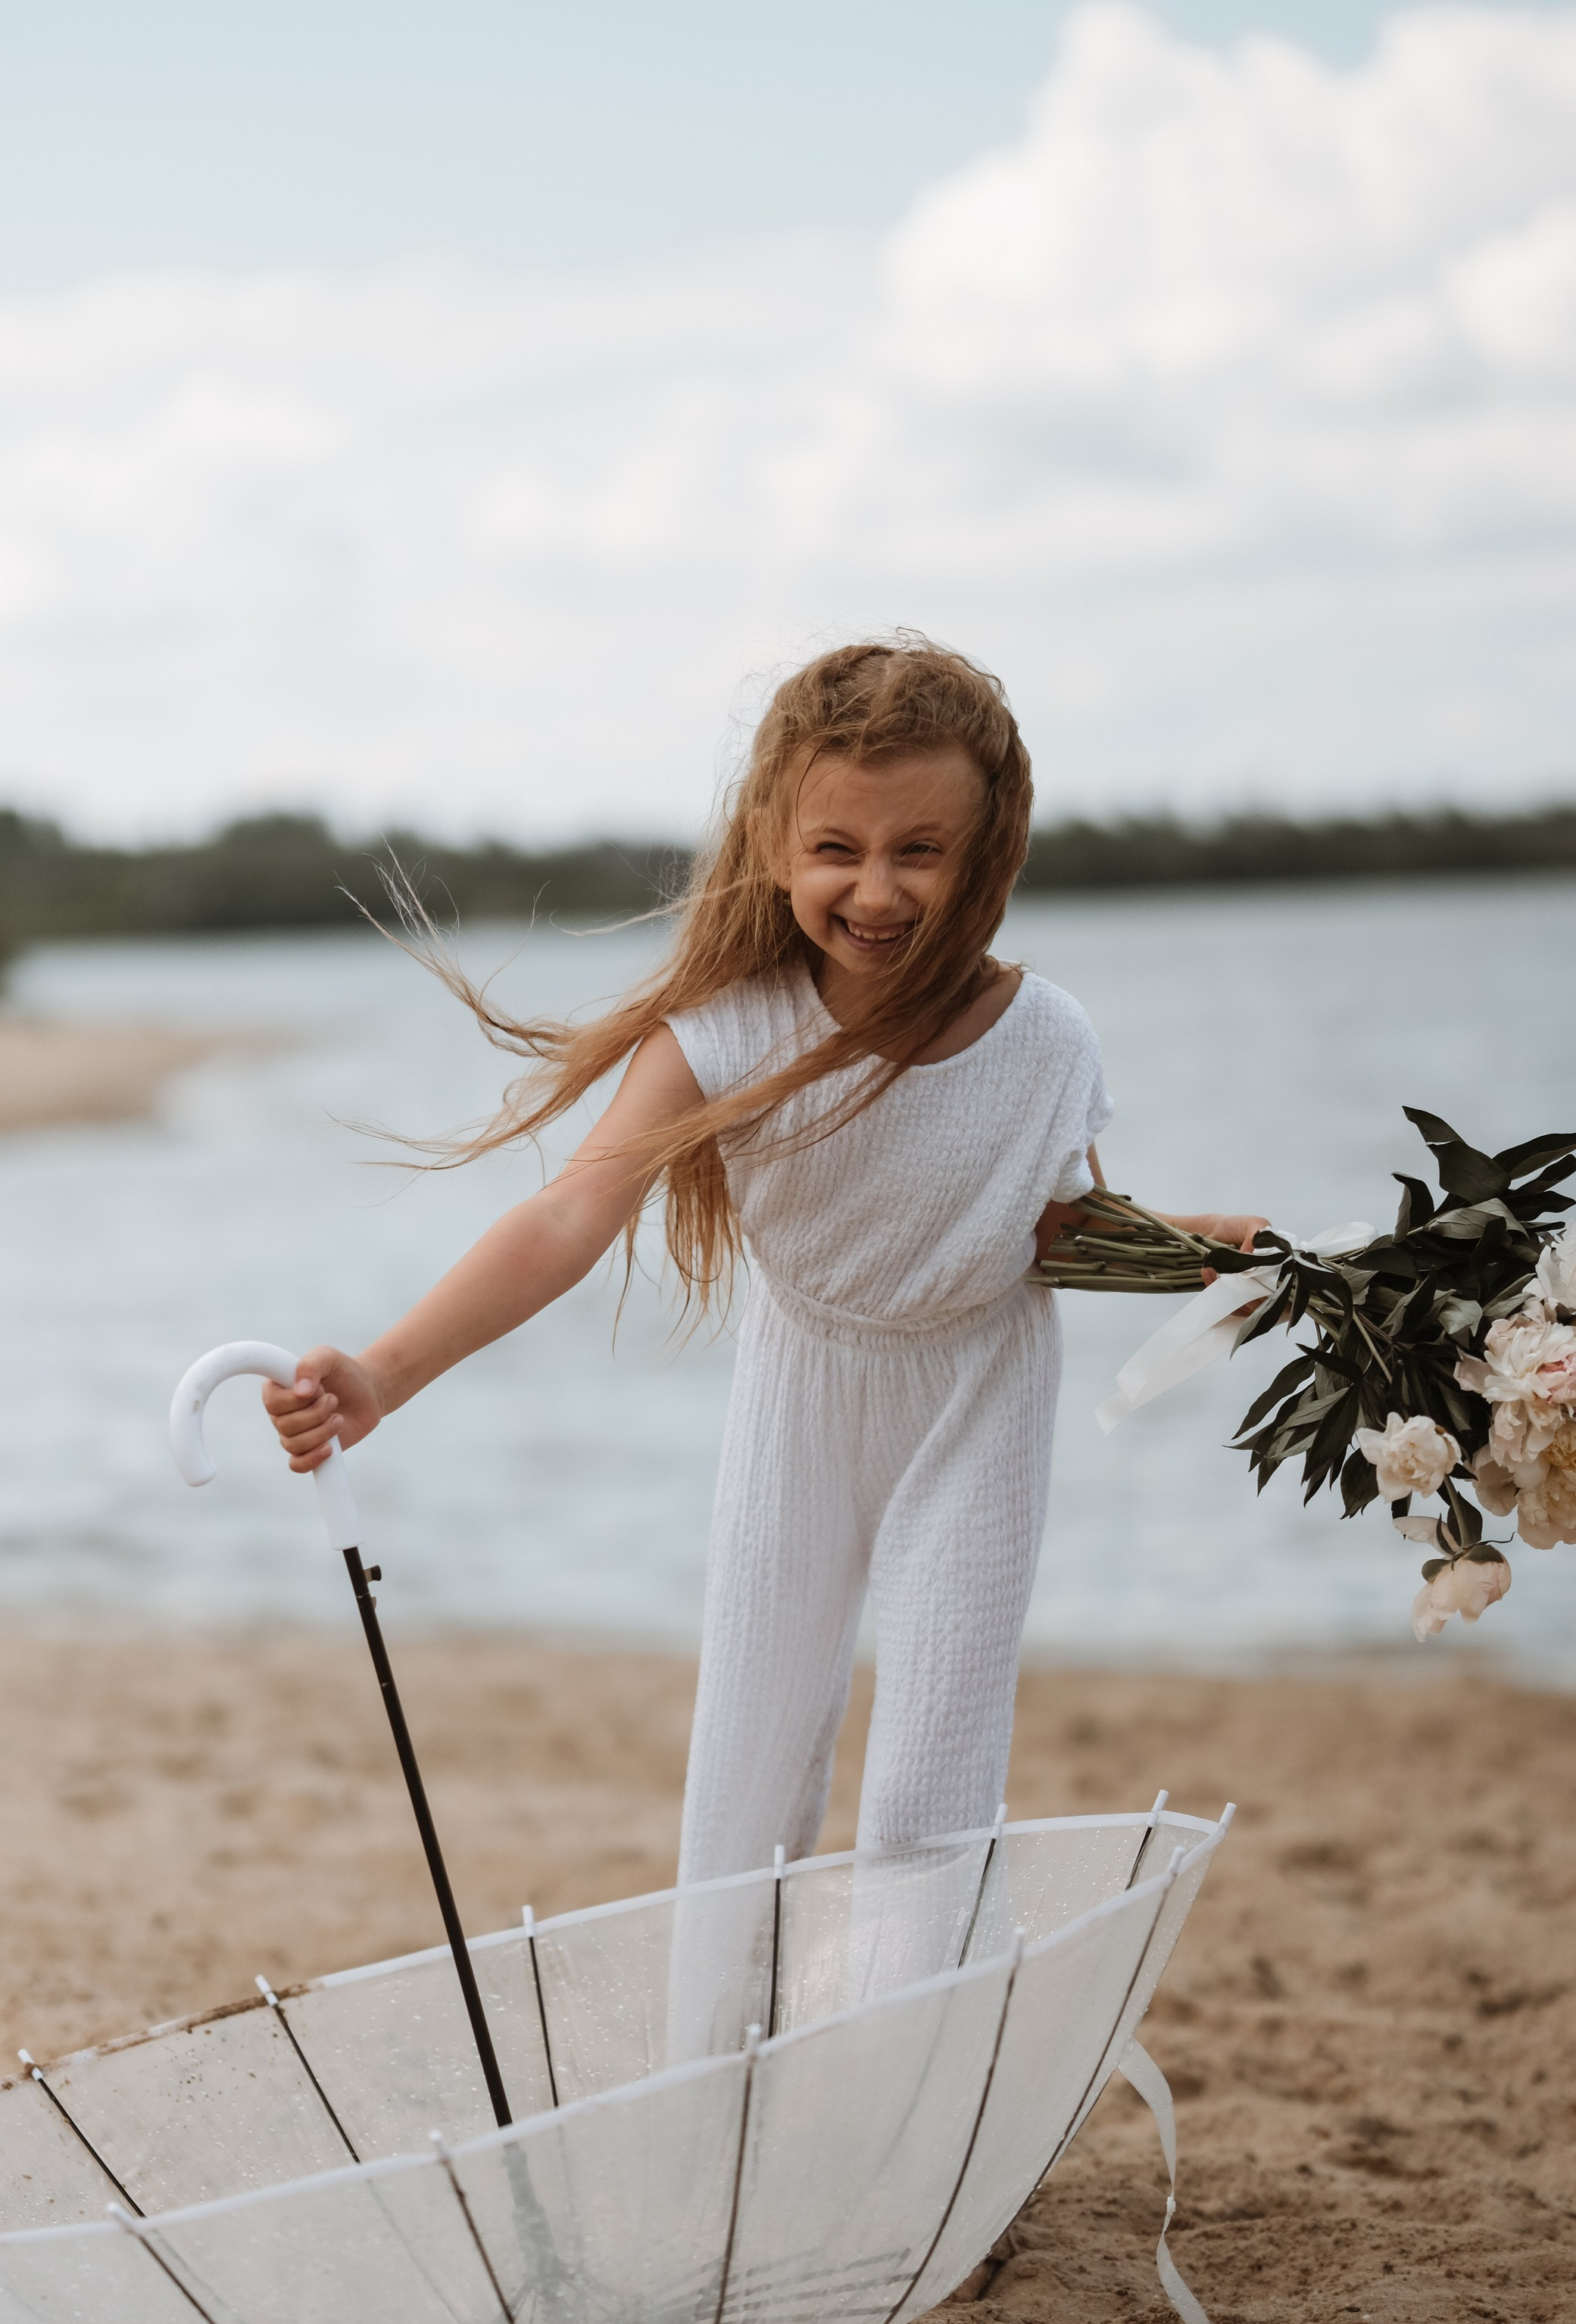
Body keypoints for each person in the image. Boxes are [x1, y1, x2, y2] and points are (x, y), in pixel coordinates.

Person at [266, 638, 1262, 1895]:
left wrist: (1225, 1253)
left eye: (920, 850)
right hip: (803, 1390)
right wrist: (384, 1373)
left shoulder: (1049, 1039)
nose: (876, 890)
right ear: (775, 847)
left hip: (982, 1395)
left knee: (931, 1787)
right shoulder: (729, 1030)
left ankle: (911, 2015)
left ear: (990, 852)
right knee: (751, 1769)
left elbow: (1059, 1231)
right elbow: (571, 1214)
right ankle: (727, 2020)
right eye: (837, 848)